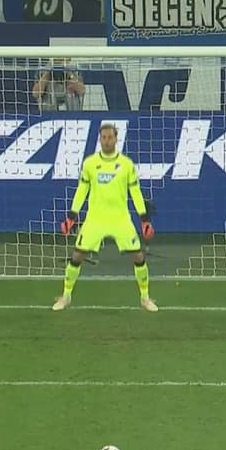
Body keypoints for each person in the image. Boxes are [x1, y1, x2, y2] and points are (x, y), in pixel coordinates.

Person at [55, 123, 157, 312]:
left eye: (110, 137)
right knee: (77, 255)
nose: (107, 141)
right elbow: (82, 190)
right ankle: (65, 296)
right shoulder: (90, 163)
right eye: (104, 137)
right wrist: (71, 216)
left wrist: (144, 219)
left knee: (138, 255)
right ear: (100, 139)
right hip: (96, 218)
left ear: (116, 139)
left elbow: (135, 192)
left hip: (120, 218)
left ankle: (145, 298)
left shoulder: (126, 164)